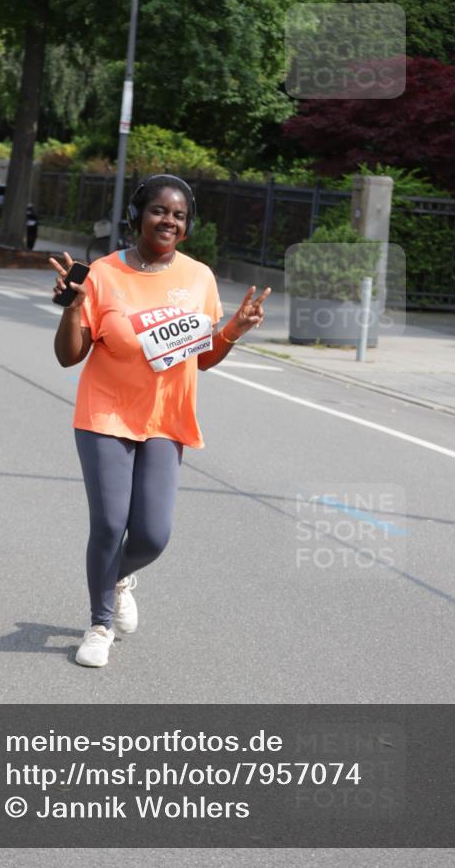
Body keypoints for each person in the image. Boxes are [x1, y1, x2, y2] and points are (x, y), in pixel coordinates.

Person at [49, 174, 270, 667]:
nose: (168, 220)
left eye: (179, 215)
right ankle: (99, 624)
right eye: (158, 211)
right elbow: (69, 356)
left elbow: (201, 357)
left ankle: (119, 576)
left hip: (167, 418)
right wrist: (74, 309)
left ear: (187, 227)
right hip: (106, 414)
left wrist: (234, 328)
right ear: (137, 215)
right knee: (109, 524)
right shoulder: (102, 274)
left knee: (152, 535)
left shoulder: (199, 278)